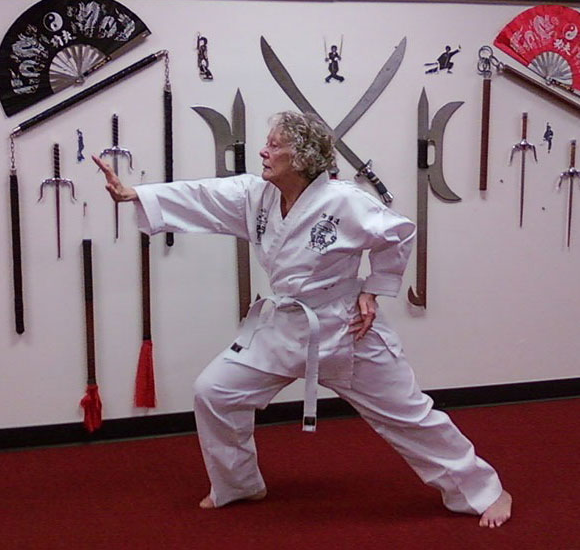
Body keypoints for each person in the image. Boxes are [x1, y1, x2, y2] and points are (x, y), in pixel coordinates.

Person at [92, 111, 511, 528]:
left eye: (274, 145)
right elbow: (203, 195)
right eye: (267, 142)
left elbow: (397, 233)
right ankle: (238, 484)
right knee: (215, 391)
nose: (263, 150)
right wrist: (134, 194)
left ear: (303, 156)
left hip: (346, 329)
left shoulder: (344, 201)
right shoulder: (256, 195)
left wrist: (374, 288)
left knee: (408, 414)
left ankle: (484, 490)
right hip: (284, 324)